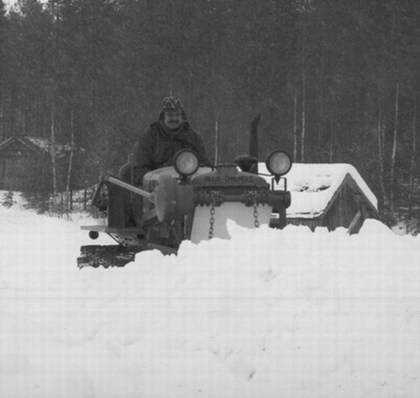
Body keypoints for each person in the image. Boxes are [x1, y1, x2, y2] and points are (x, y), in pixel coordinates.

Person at [120, 96, 209, 186]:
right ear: (163, 116)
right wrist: (153, 179)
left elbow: (204, 165)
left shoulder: (193, 138)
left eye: (177, 115)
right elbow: (140, 165)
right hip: (157, 185)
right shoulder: (150, 136)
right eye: (170, 115)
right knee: (126, 171)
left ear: (182, 117)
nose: (174, 118)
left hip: (187, 182)